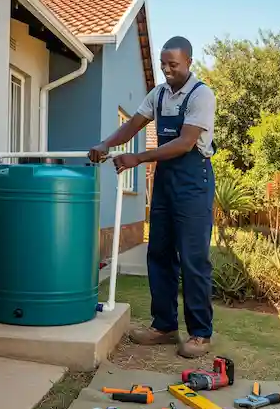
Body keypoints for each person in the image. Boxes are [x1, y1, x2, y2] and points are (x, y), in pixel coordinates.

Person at [88, 36, 216, 359]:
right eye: (163, 65)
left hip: (193, 182)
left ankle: (200, 334)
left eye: (173, 65)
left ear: (188, 62)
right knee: (158, 253)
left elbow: (185, 143)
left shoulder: (202, 96)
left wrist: (137, 158)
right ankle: (164, 326)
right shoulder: (158, 95)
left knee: (193, 258)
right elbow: (133, 124)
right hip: (165, 182)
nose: (167, 70)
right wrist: (106, 145)